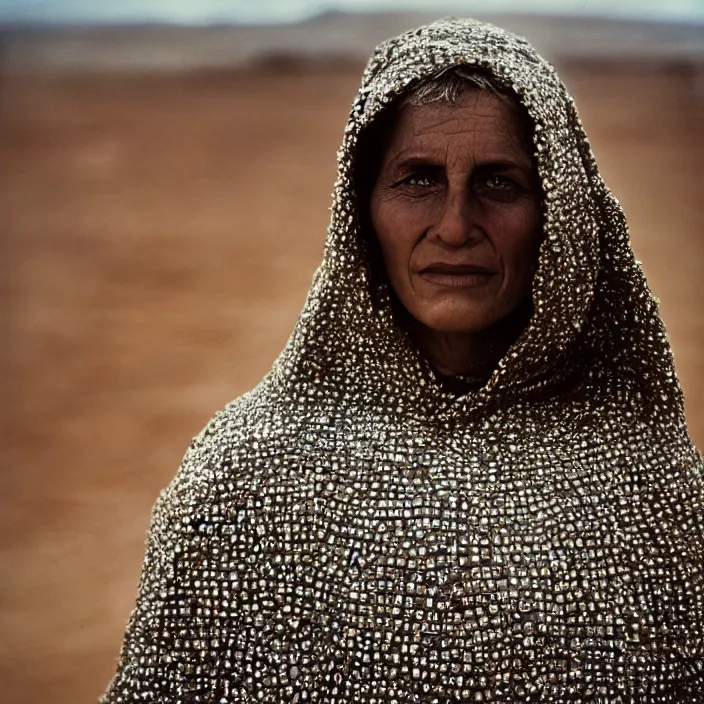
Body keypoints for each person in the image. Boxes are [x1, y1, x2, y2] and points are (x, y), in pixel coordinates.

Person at [101, 18, 704, 702]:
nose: (454, 225)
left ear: (560, 216)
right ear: (361, 213)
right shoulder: (241, 483)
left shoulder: (655, 498)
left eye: (499, 183)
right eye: (418, 180)